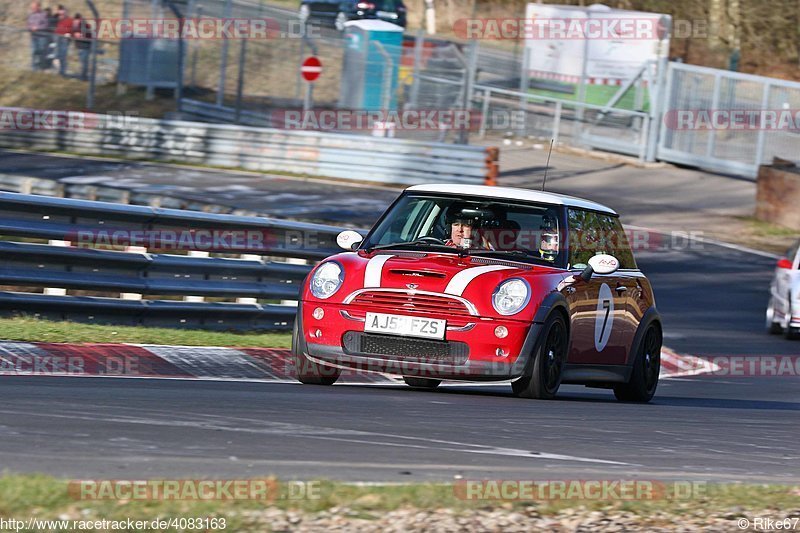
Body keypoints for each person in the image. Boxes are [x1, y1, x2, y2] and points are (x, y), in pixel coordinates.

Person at [26, 1, 49, 70]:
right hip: (34, 37)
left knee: (41, 52)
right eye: (32, 8)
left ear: (39, 7)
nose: (33, 9)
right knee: (34, 52)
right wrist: (30, 28)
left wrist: (37, 28)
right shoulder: (30, 15)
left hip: (41, 37)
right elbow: (28, 24)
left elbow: (46, 25)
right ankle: (34, 68)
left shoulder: (44, 14)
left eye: (34, 7)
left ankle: (41, 67)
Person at [72, 13, 92, 81]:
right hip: (80, 46)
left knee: (84, 62)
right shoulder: (76, 25)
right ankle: (83, 76)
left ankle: (84, 77)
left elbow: (86, 34)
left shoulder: (84, 24)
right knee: (82, 62)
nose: (76, 21)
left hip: (85, 46)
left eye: (77, 20)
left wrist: (80, 35)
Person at [54, 5, 72, 76]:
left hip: (64, 39)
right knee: (56, 55)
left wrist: (69, 33)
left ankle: (63, 71)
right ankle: (56, 70)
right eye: (60, 13)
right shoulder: (57, 19)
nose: (61, 15)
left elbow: (72, 28)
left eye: (62, 13)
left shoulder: (70, 20)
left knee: (63, 55)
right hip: (56, 38)